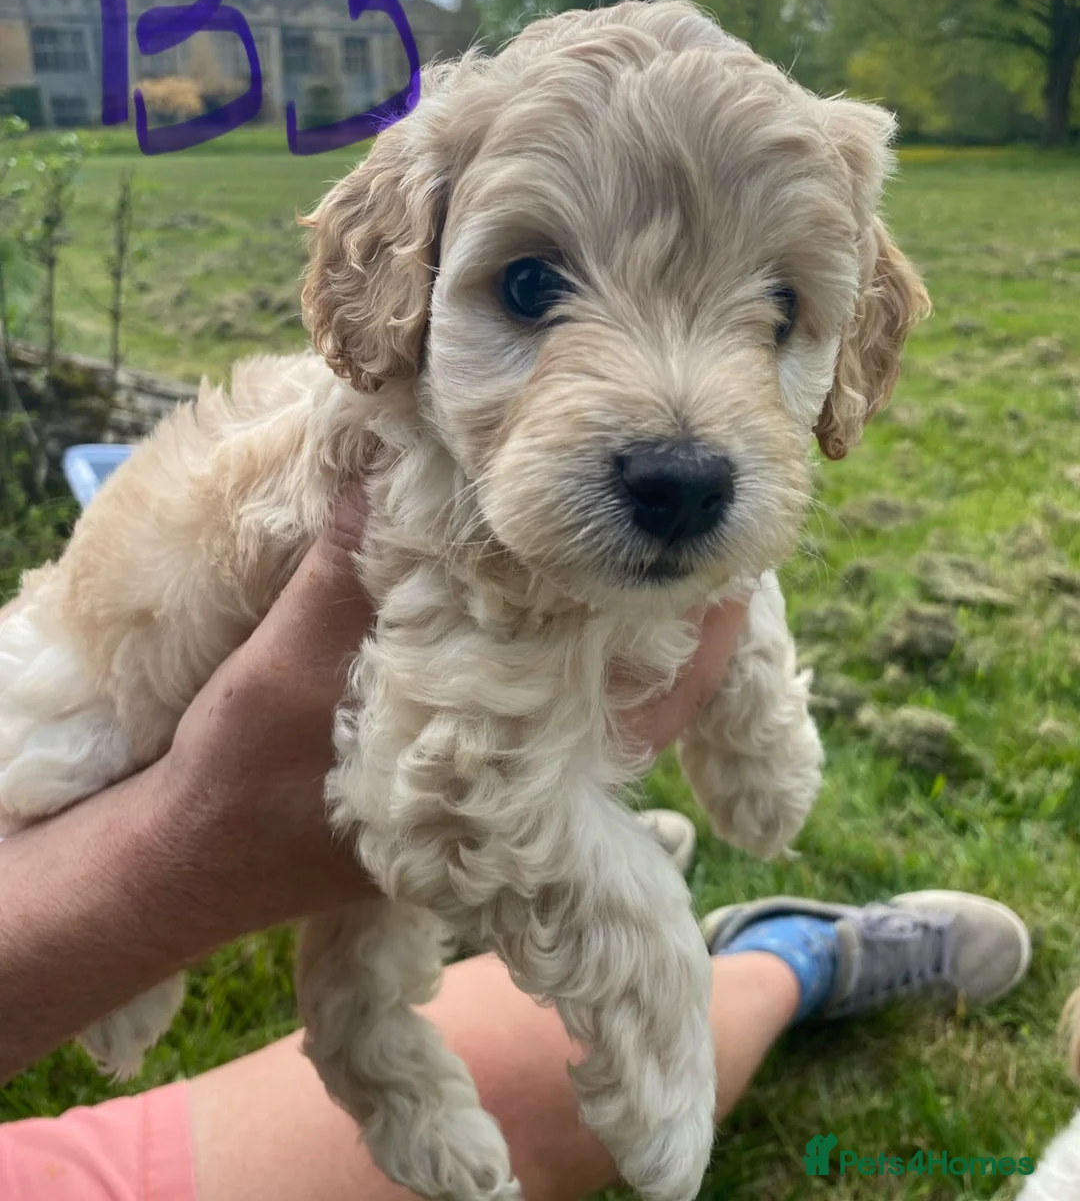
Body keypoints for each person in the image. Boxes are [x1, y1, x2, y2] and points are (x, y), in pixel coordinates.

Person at [0, 484, 1031, 1201]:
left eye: (773, 309)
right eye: (537, 287)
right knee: (607, 1034)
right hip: (98, 735)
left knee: (529, 1058)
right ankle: (781, 955)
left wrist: (754, 708)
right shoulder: (416, 451)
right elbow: (449, 774)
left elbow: (728, 572)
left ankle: (659, 887)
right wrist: (177, 856)